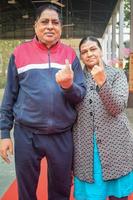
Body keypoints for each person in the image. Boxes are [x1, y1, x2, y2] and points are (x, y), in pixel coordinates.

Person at [0, 4, 86, 200]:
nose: (50, 26)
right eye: (44, 22)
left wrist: (68, 86)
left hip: (61, 135)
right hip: (26, 135)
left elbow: (80, 95)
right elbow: (9, 96)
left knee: (61, 190)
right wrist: (4, 134)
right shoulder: (19, 53)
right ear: (35, 25)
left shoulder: (70, 55)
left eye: (55, 22)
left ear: (61, 27)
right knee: (26, 191)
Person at [73, 36, 133, 200]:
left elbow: (117, 108)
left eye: (93, 49)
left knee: (118, 195)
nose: (89, 54)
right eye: (84, 51)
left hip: (116, 144)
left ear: (101, 51)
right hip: (86, 148)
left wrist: (102, 83)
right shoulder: (76, 79)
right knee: (92, 195)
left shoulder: (116, 74)